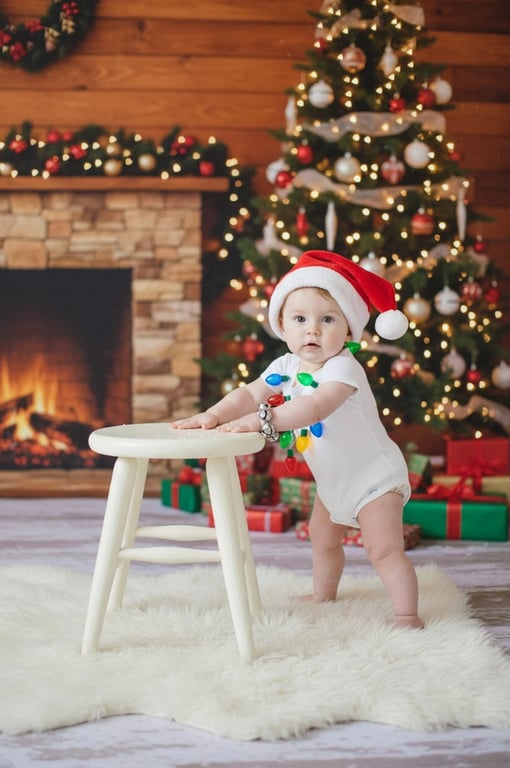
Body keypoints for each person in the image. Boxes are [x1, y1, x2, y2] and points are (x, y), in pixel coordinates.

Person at [170, 250, 424, 629]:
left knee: (383, 549)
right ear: (282, 326)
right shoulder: (285, 367)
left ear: (349, 330)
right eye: (300, 319)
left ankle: (407, 615)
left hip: (373, 478)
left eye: (327, 319)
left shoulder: (343, 369)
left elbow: (316, 406)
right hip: (333, 480)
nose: (313, 330)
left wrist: (262, 420)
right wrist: (215, 414)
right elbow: (248, 393)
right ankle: (324, 594)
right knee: (322, 538)